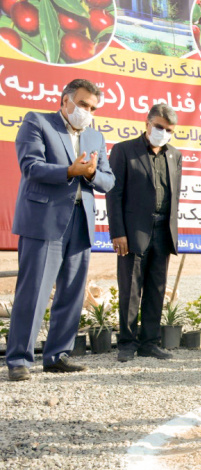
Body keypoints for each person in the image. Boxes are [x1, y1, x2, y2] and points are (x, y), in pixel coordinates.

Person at [5, 79, 115, 381]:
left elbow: (109, 180)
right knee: (34, 292)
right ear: (65, 100)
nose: (86, 111)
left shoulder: (95, 136)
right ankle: (18, 359)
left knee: (72, 291)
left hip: (81, 221)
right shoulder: (37, 122)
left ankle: (57, 355)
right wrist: (70, 171)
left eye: (92, 107)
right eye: (82, 104)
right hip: (44, 221)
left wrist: (91, 174)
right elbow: (31, 167)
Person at [106, 103, 183, 362]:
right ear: (147, 123)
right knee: (130, 290)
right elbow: (114, 195)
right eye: (159, 127)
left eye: (169, 129)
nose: (163, 132)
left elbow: (173, 195)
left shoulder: (174, 155)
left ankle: (150, 342)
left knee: (156, 289)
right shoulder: (124, 150)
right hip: (132, 232)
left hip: (163, 231)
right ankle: (127, 344)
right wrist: (118, 232)